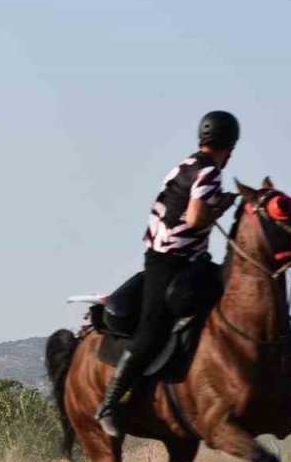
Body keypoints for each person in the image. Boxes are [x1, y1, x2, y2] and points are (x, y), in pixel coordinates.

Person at [97, 110, 241, 437]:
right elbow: (194, 218)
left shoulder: (184, 165)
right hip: (169, 263)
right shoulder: (209, 173)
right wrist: (220, 208)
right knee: (151, 331)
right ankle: (109, 402)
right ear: (229, 145)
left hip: (184, 259)